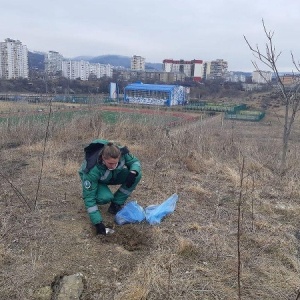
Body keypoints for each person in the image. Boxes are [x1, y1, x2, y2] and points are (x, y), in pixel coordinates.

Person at [79, 139, 142, 235]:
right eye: (110, 163)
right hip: (97, 180)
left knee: (137, 174)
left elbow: (135, 162)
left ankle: (116, 204)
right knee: (105, 197)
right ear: (103, 158)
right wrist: (98, 223)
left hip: (113, 176)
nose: (113, 166)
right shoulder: (92, 169)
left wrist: (133, 172)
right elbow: (89, 198)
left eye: (115, 163)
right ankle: (101, 191)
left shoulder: (122, 153)